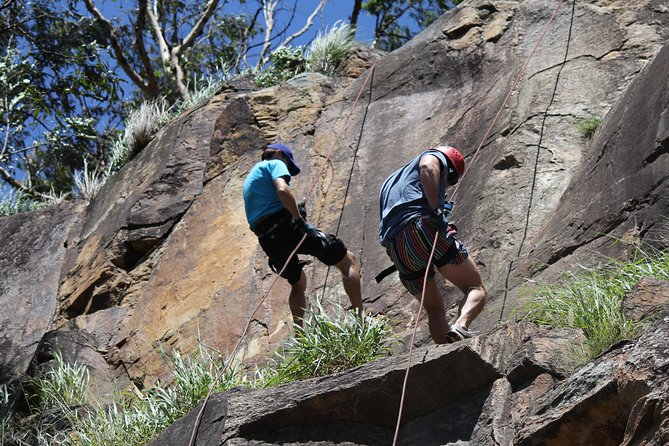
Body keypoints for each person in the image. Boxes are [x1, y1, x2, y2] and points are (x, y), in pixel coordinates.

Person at [243, 143, 364, 326]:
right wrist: (299, 220)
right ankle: (361, 320)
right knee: (347, 260)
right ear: (278, 153)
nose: (288, 172)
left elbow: (258, 217)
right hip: (287, 227)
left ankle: (301, 339)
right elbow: (282, 189)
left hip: (267, 239)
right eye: (288, 165)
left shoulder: (250, 179)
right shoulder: (274, 163)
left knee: (298, 283)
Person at [378, 146, 486, 344]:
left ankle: (447, 355)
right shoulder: (435, 157)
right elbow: (428, 167)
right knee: (476, 287)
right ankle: (460, 326)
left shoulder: (389, 182)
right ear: (450, 167)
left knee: (434, 310)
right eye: (451, 180)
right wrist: (437, 210)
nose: (448, 185)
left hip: (397, 247)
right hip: (423, 226)